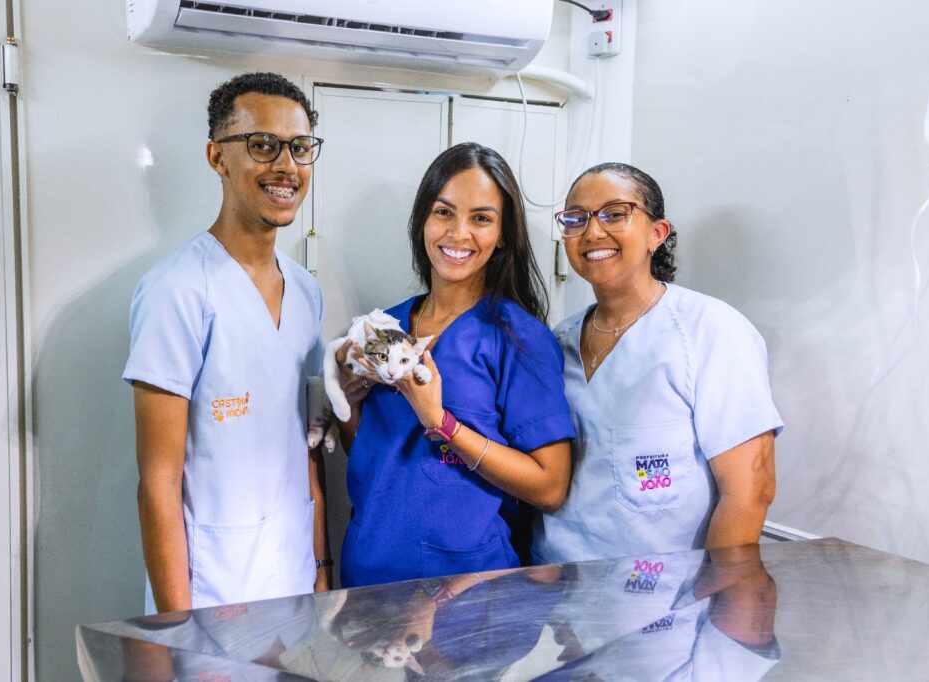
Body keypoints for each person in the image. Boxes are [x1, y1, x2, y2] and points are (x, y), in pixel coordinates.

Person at [123, 72, 331, 614]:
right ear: (218, 156)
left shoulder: (306, 292)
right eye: (262, 145)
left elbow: (307, 447)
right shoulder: (178, 290)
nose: (286, 165)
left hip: (292, 576)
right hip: (211, 591)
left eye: (300, 147)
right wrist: (180, 627)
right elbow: (158, 482)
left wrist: (321, 569)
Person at [334, 142, 576, 587]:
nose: (458, 233)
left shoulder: (519, 339)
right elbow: (375, 456)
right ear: (423, 221)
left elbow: (550, 487)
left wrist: (441, 423)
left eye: (481, 218)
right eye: (444, 212)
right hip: (368, 573)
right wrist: (347, 405)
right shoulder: (386, 327)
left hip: (467, 589)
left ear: (503, 235)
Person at [533, 162, 783, 565]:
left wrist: (721, 595)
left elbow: (751, 489)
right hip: (559, 586)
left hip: (670, 594)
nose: (593, 232)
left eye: (615, 214)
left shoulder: (711, 331)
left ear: (657, 233)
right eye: (576, 219)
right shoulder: (559, 341)